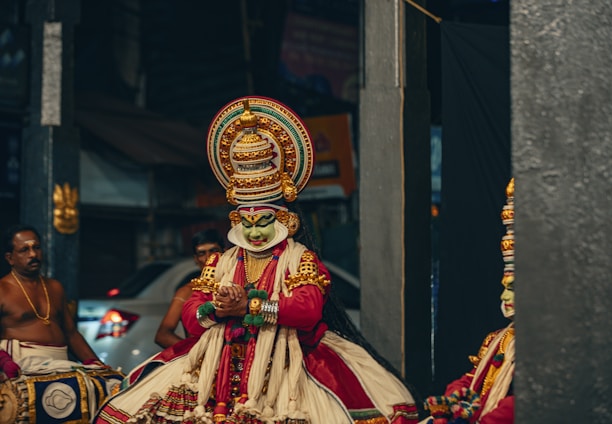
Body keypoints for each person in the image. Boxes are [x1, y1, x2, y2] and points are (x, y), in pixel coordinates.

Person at [95, 96, 420, 423]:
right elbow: (192, 318)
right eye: (246, 222)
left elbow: (307, 311)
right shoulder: (221, 262)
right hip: (217, 366)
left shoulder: (299, 258)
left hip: (288, 362)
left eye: (263, 221)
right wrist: (217, 309)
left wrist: (250, 307)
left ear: (285, 221)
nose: (254, 232)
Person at [0, 224, 123, 422]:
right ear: (10, 258)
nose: (33, 254)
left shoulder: (54, 287)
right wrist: (4, 362)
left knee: (113, 383)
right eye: (25, 250)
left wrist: (94, 362)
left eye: (37, 247)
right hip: (24, 362)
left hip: (60, 362)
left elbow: (71, 333)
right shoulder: (2, 289)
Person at [422, 178, 515, 424]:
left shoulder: (541, 347)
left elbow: (518, 406)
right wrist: (454, 401)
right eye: (504, 287)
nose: (504, 296)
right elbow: (470, 380)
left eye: (513, 288)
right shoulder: (499, 338)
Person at [155, 229, 225, 348]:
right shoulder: (187, 292)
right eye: (202, 253)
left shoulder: (235, 283)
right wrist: (196, 353)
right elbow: (163, 335)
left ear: (225, 253)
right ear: (196, 259)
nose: (208, 258)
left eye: (213, 251)